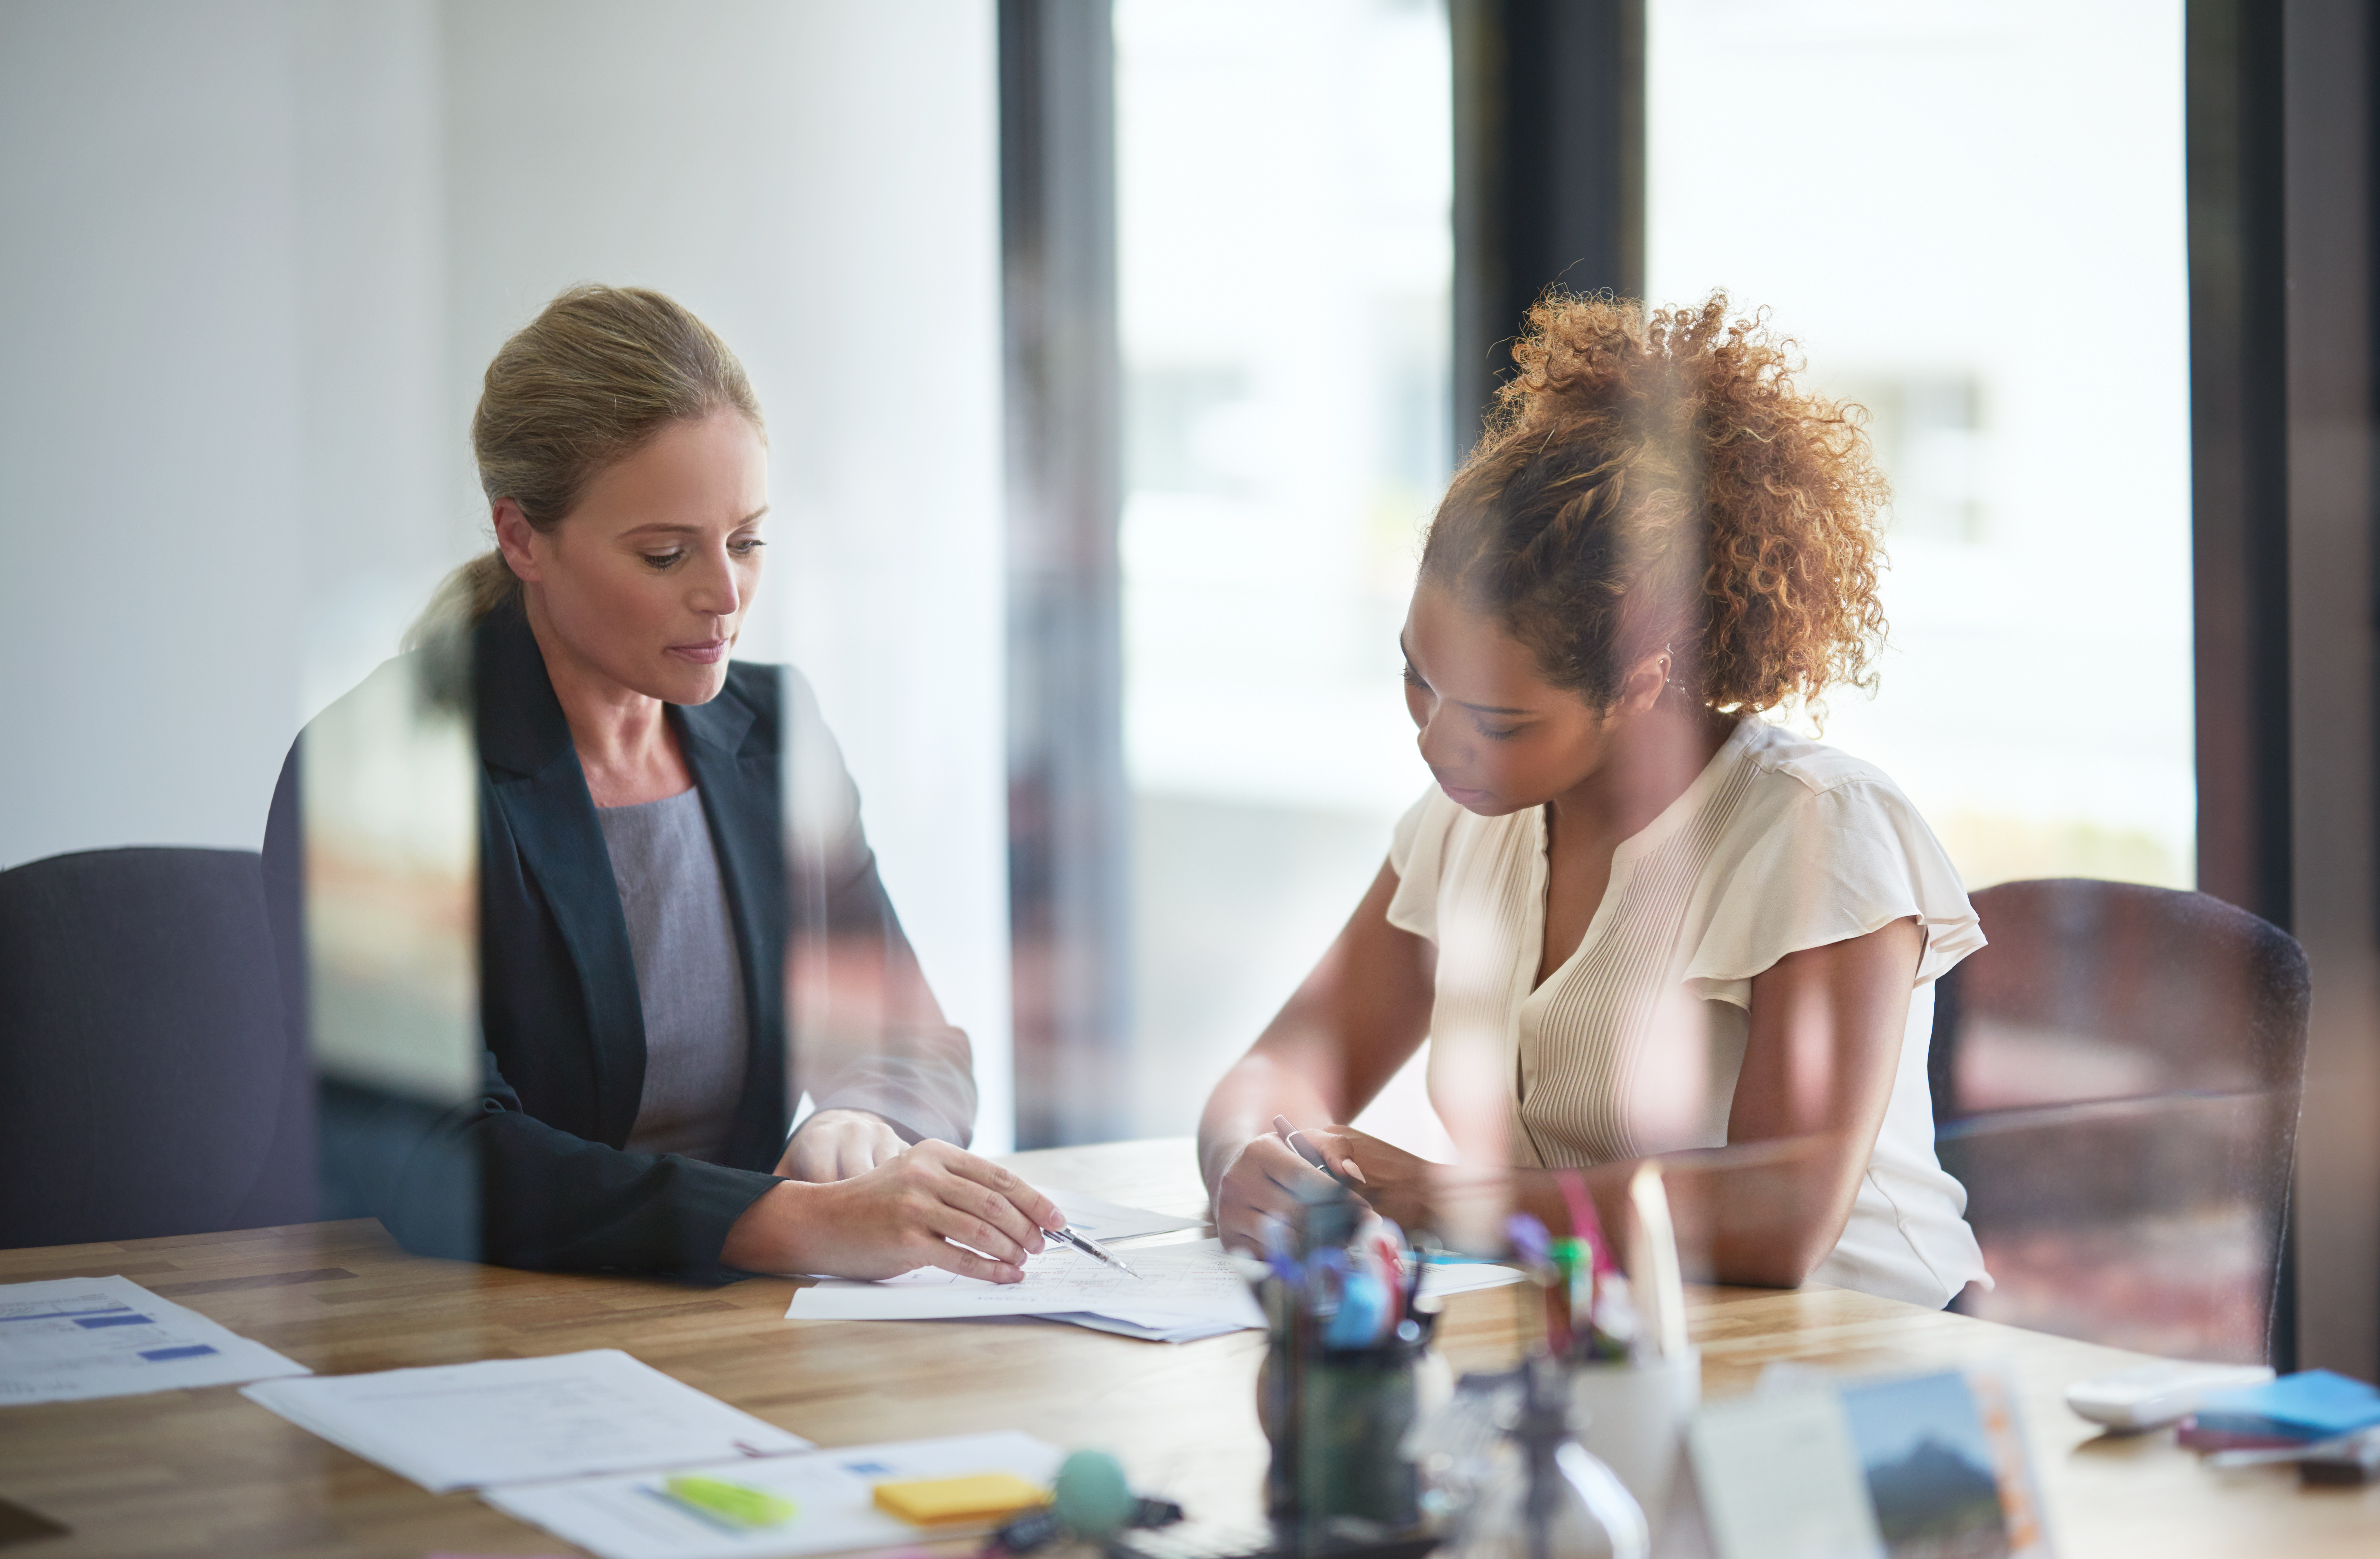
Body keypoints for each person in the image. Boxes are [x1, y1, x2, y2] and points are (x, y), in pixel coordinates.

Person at [1198, 293, 1989, 1309]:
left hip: (1864, 1365)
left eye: (1500, 719)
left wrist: (1449, 1198)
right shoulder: (1464, 824)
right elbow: (1279, 1066)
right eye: (1417, 680)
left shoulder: (1816, 826)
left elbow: (1782, 1215)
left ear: (1640, 684)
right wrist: (1249, 1157)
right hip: (1618, 1351)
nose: (1438, 741)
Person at [265, 285, 1061, 1283]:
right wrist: (785, 1220)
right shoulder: (378, 767)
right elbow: (440, 1155)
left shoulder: (774, 732)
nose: (724, 595)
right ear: (522, 539)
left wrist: (861, 1126)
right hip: (443, 1327)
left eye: (747, 540)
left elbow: (916, 1044)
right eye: (666, 553)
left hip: (714, 1331)